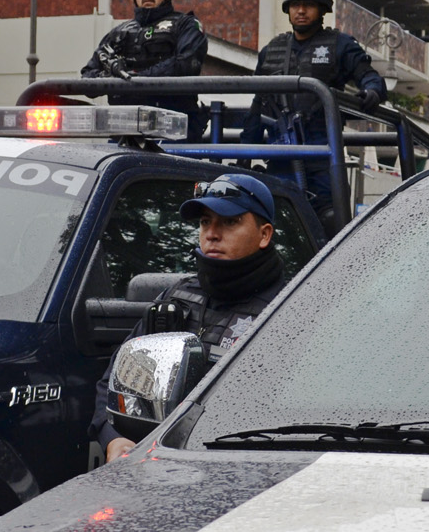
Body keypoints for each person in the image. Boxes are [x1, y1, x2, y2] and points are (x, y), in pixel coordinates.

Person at [95, 173, 289, 463]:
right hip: (157, 462)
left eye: (230, 222)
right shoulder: (176, 297)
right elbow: (115, 382)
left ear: (264, 235)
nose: (212, 233)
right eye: (205, 222)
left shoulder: (288, 310)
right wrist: (113, 438)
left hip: (241, 464)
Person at [243, 0, 386, 219]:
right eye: (295, 5)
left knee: (331, 221)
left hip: (322, 155)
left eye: (308, 5)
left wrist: (372, 91)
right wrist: (245, 153)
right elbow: (258, 105)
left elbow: (369, 76)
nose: (300, 11)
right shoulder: (271, 51)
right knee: (275, 220)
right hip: (280, 156)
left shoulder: (340, 45)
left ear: (321, 10)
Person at [82, 0, 208, 124]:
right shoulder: (118, 33)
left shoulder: (186, 25)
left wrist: (132, 78)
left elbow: (186, 65)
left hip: (173, 126)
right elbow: (87, 78)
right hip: (125, 128)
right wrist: (111, 75)